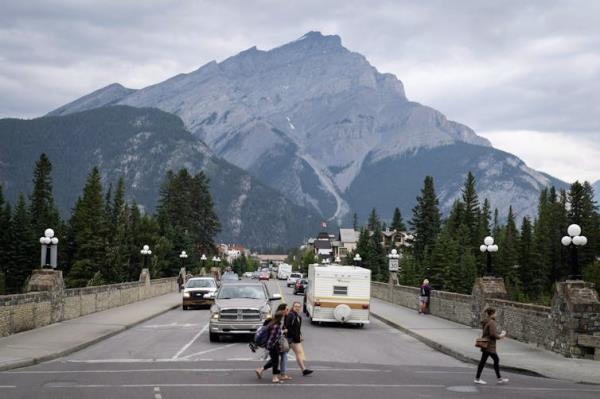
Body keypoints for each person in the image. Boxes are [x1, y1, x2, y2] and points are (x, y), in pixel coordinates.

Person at [255, 304, 291, 381]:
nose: (287, 310)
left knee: (275, 360)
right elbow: (272, 337)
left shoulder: (274, 323)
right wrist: (269, 348)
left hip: (273, 345)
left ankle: (261, 370)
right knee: (276, 361)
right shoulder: (276, 325)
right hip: (273, 346)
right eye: (286, 309)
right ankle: (276, 377)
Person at [474, 308, 509, 385]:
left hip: (486, 344)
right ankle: (499, 379)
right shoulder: (492, 322)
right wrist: (501, 335)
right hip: (490, 346)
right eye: (495, 313)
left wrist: (499, 336)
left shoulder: (486, 321)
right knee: (496, 360)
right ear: (492, 314)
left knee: (483, 362)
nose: (496, 315)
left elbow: (488, 333)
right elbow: (492, 334)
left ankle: (478, 378)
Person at [285, 301, 313, 376]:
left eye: (299, 307)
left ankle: (304, 370)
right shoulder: (291, 315)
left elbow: (297, 328)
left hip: (294, 339)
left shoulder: (298, 317)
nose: (297, 308)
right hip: (291, 339)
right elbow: (288, 327)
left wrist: (300, 335)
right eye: (296, 306)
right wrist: (295, 336)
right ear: (293, 307)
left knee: (285, 355)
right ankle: (303, 370)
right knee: (298, 353)